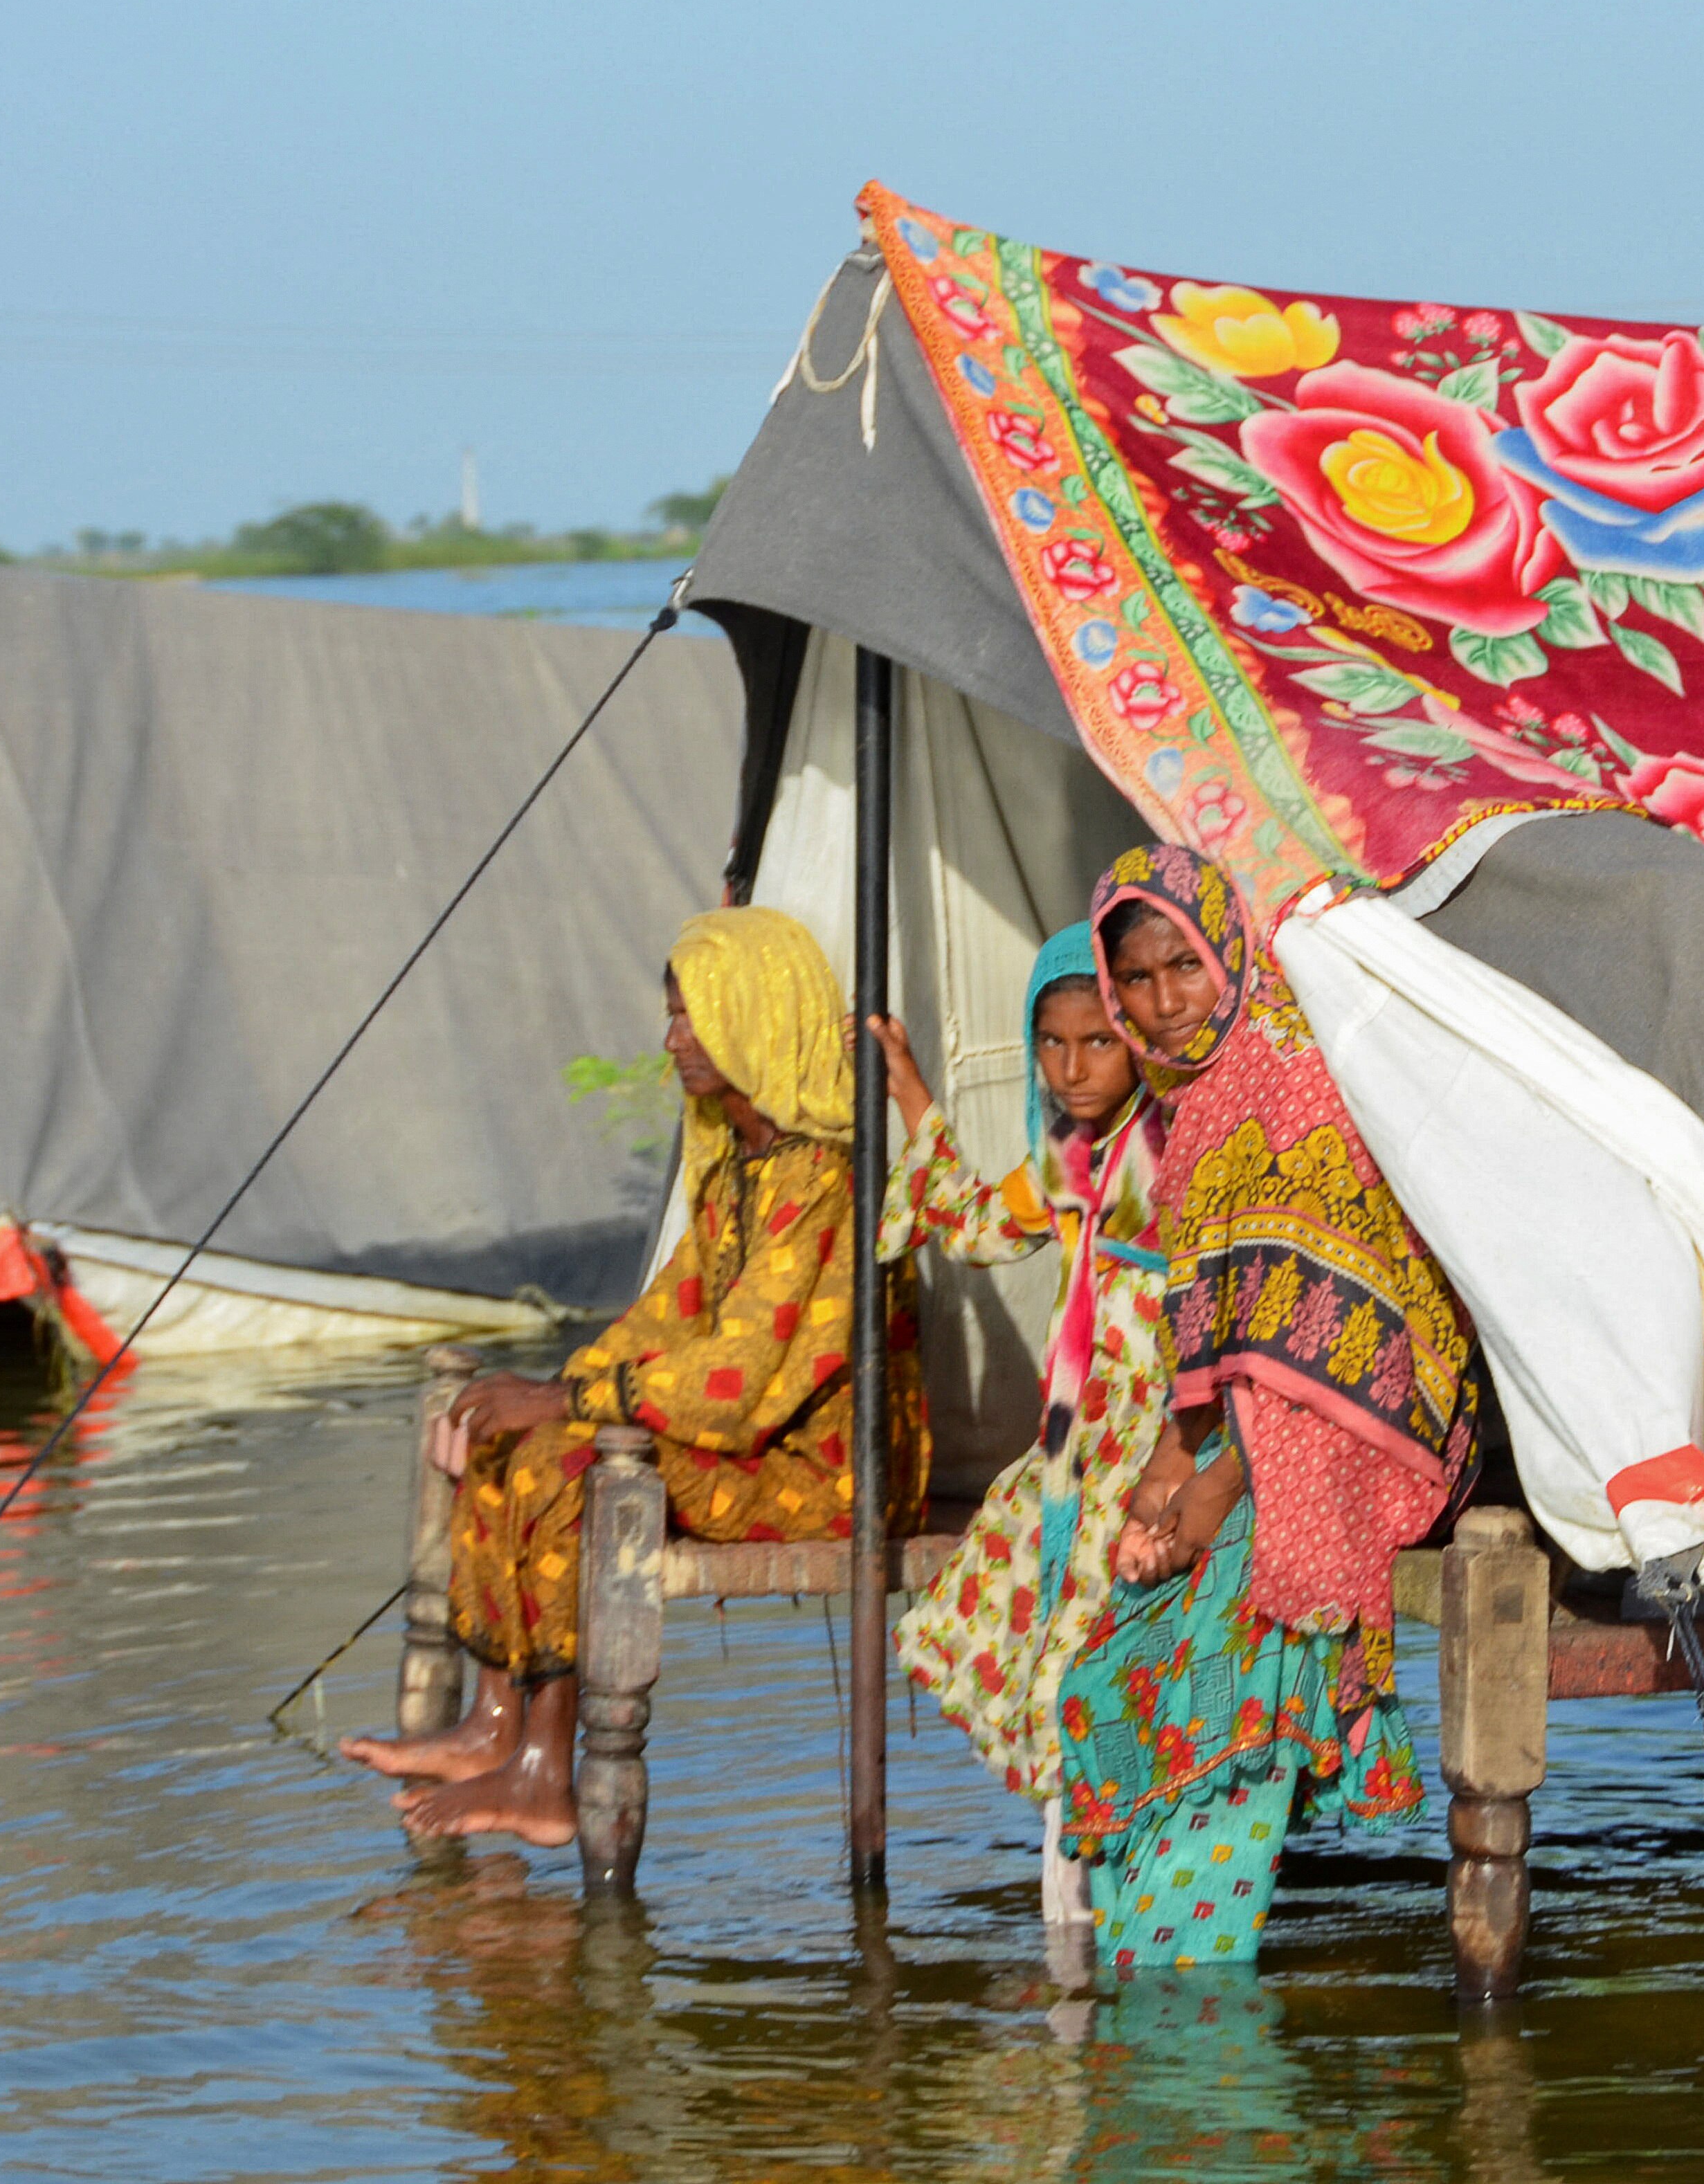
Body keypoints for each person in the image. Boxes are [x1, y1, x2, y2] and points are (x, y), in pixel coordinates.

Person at [349, 906, 925, 1844]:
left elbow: (735, 1388)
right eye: (674, 1018)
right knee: (515, 1448)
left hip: (831, 1482)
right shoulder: (740, 1168)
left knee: (558, 1468)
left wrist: (566, 1402)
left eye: (694, 1019)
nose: (673, 1042)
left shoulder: (829, 1182)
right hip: (748, 1457)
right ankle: (498, 1728)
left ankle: (546, 1773)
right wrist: (541, 1391)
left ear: (758, 1017)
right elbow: (664, 1319)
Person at [1057, 844, 1474, 1974]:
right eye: (1132, 982)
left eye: (1180, 968)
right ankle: (1159, 1933)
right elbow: (1225, 1332)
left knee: (1229, 1640)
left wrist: (1214, 1485)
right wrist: (1166, 1467)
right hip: (1259, 1425)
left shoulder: (1292, 1065)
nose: (1160, 1003)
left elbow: (1327, 1324)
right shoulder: (1189, 1111)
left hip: (1379, 1410)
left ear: (1226, 948)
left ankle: (1193, 1951)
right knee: (1106, 1660)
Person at [871, 923, 1170, 1935]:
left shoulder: (1162, 1152)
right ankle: (1075, 1881)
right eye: (1053, 1044)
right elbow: (972, 1224)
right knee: (1036, 1615)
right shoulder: (1073, 1157)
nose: (1074, 1066)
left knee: (1076, 1652)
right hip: (1080, 1446)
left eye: (1099, 1042)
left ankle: (1083, 1881)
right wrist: (911, 1088)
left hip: (1147, 1443)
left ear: (1140, 1038)